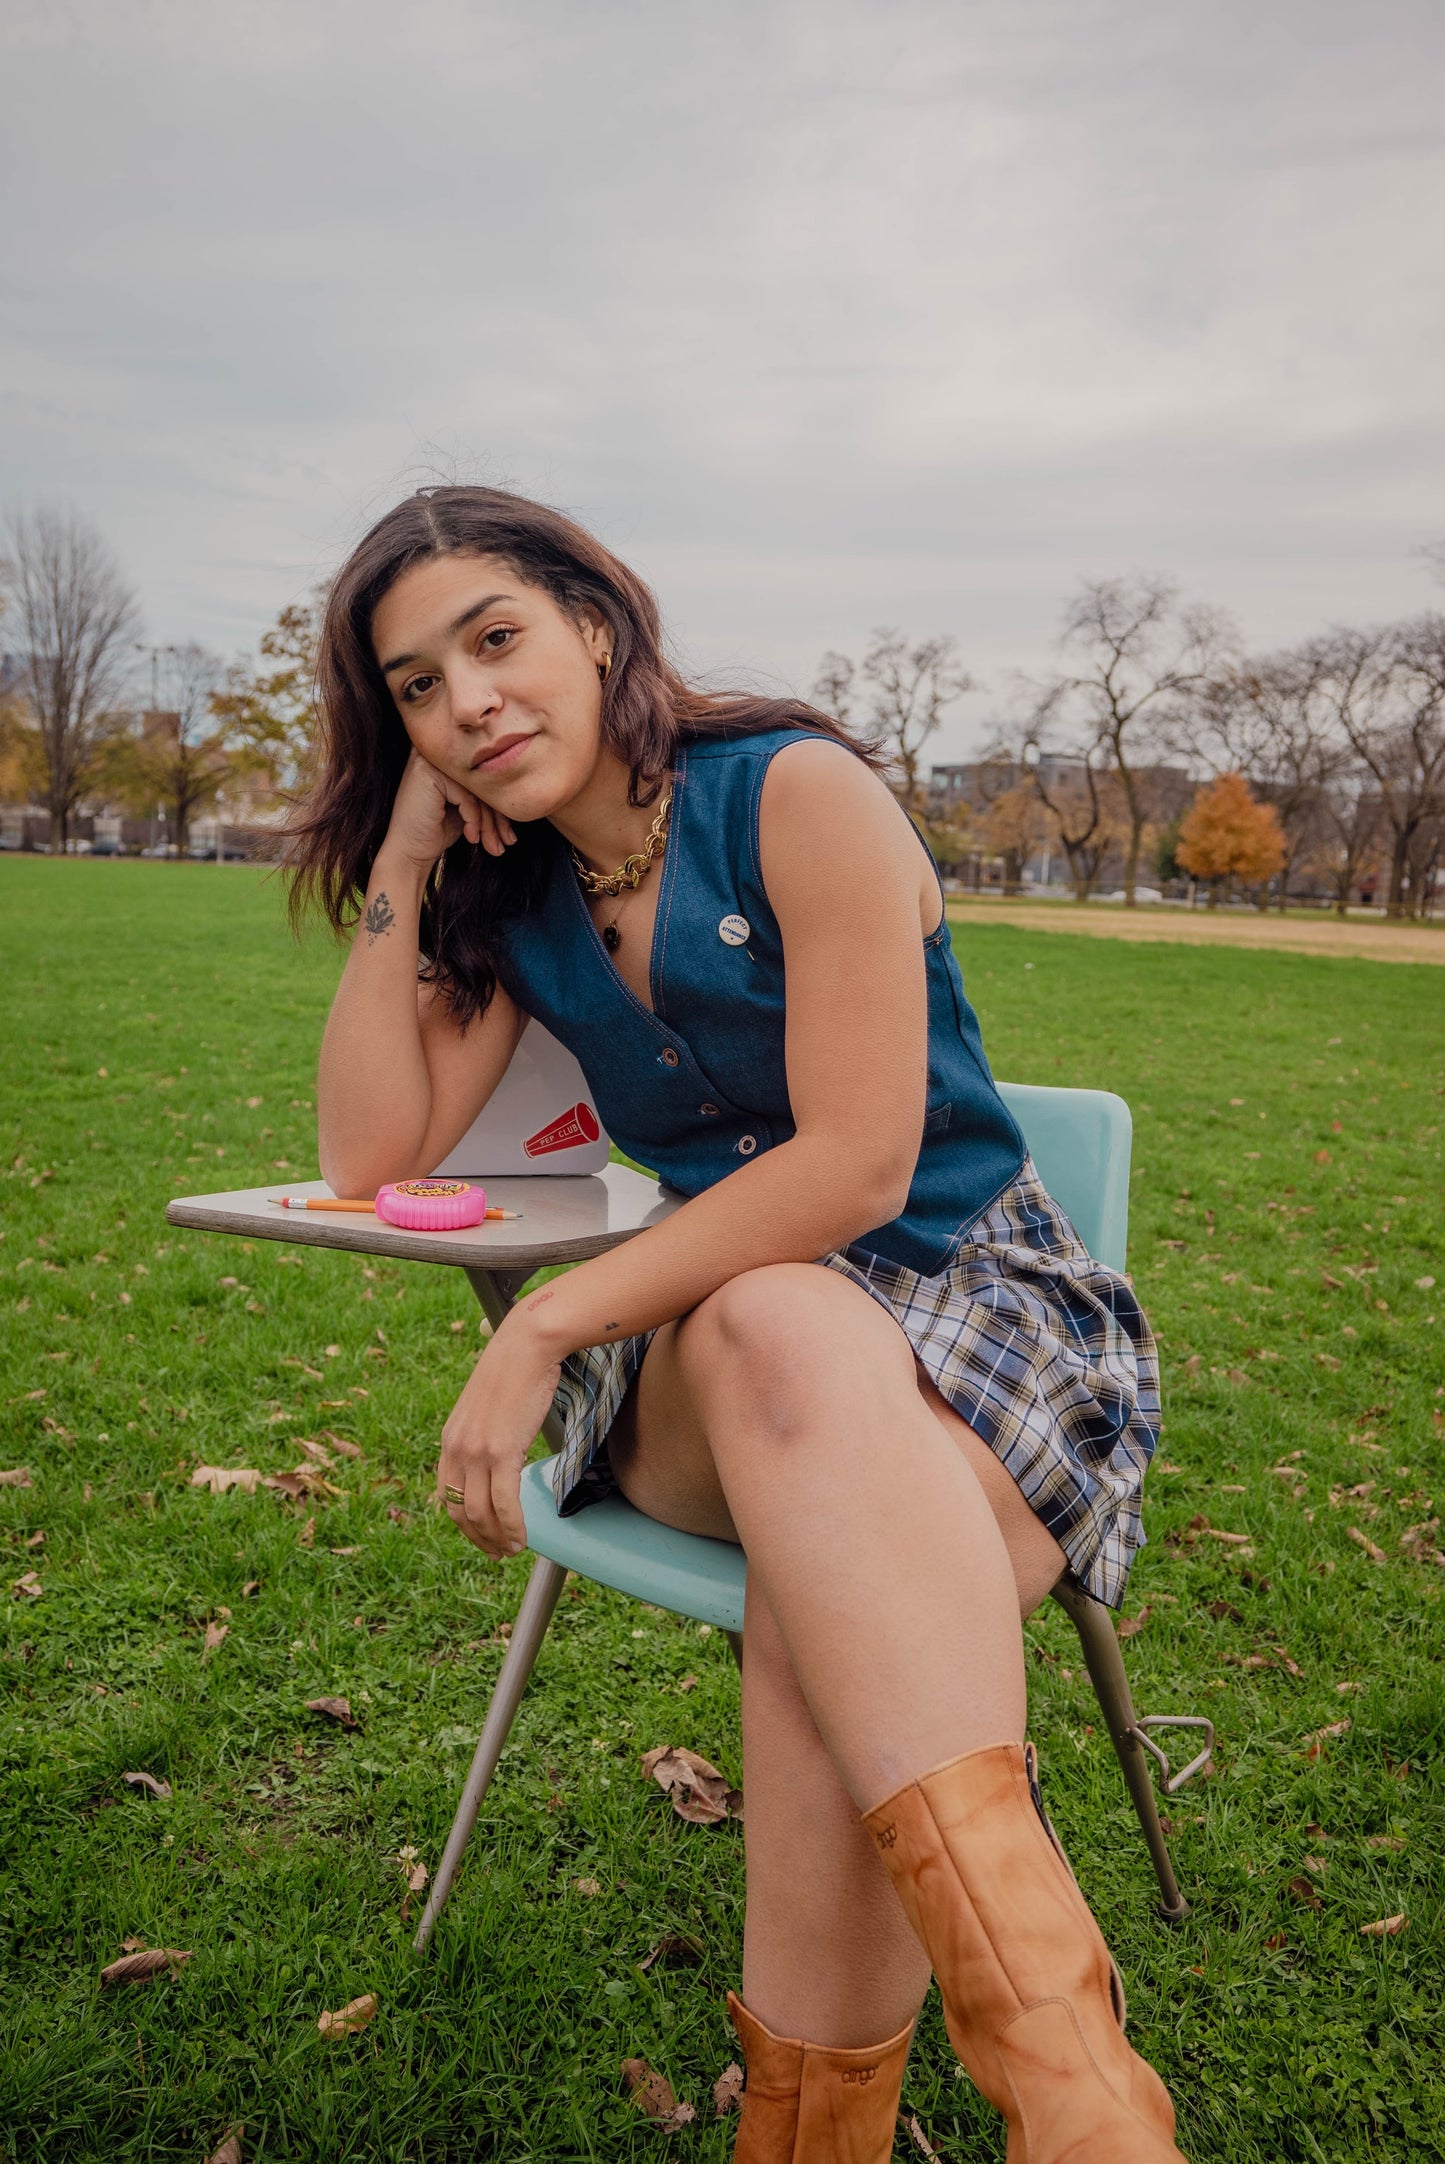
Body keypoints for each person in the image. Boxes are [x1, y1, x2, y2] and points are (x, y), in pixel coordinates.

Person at [292, 485, 1185, 2164]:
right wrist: (407, 865)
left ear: (598, 627)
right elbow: (370, 1152)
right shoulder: (517, 898)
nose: (466, 702)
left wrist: (545, 1322)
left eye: (495, 640)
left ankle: (880, 2132)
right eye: (414, 685)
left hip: (978, 1305)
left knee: (824, 1590)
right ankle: (1079, 2103)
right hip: (719, 1346)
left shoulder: (795, 792)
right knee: (777, 1330)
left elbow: (855, 1168)